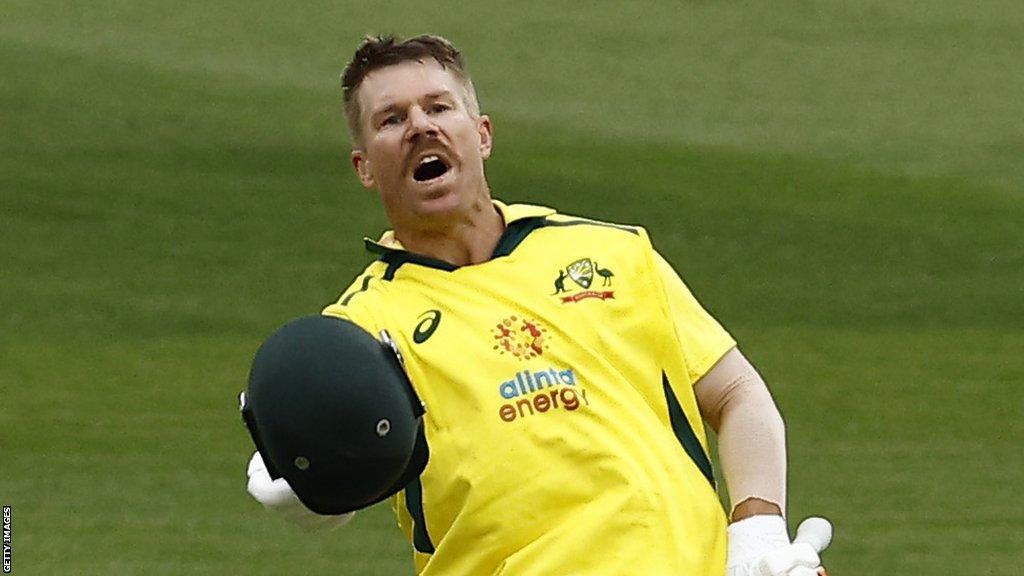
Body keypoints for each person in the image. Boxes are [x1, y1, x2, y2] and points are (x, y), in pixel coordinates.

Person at [245, 34, 830, 576]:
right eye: (392, 119)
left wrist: (758, 532)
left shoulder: (613, 251)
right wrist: (309, 487)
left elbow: (734, 394)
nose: (420, 127)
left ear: (483, 134)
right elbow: (345, 471)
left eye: (439, 108)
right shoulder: (360, 331)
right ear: (364, 167)